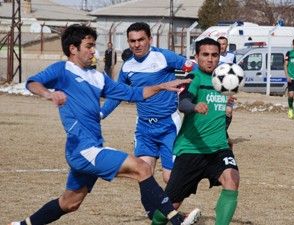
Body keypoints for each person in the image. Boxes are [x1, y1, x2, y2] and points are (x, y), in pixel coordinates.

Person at [8, 24, 195, 225]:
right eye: (88, 46)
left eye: (93, 46)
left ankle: (21, 224)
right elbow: (32, 82)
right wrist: (49, 93)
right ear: (73, 49)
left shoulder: (98, 77)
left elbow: (132, 93)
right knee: (142, 167)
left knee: (70, 203)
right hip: (83, 149)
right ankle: (176, 220)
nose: (93, 51)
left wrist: (162, 86)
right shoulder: (63, 70)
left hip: (92, 147)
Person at [152, 38, 240, 225]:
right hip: (191, 149)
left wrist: (228, 113)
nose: (210, 59)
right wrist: (194, 107)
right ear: (196, 56)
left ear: (219, 57)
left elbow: (221, 117)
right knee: (170, 206)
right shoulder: (193, 78)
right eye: (205, 55)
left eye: (214, 55)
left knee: (232, 179)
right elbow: (182, 103)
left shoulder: (224, 80)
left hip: (218, 148)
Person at [101, 22, 194, 185]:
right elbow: (117, 94)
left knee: (169, 178)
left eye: (141, 40)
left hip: (169, 126)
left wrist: (195, 90)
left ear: (150, 39)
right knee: (144, 175)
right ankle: (160, 211)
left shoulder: (164, 57)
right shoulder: (127, 66)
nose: (137, 44)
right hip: (144, 128)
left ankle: (170, 210)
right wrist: (100, 114)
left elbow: (193, 68)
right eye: (133, 41)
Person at [217, 36, 237, 148]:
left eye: (224, 44)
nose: (222, 46)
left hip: (228, 88)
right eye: (219, 44)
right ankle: (222, 136)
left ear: (227, 45)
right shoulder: (213, 55)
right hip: (216, 87)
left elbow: (235, 70)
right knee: (217, 112)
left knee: (228, 112)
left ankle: (221, 134)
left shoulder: (232, 56)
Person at [284, 37, 294, 120]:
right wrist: (287, 76)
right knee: (290, 95)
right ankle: (290, 109)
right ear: (293, 45)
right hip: (292, 79)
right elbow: (285, 65)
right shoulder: (289, 53)